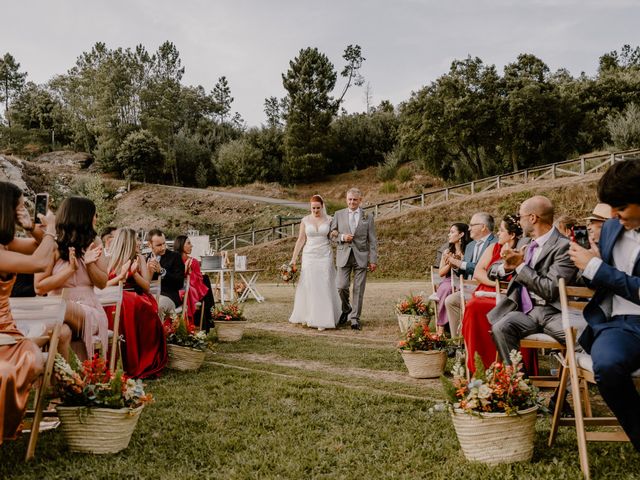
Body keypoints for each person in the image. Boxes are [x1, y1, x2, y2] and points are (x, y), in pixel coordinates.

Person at [569, 160, 640, 452]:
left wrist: (598, 269)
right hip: (621, 324)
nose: (612, 214)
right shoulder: (611, 228)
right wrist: (585, 267)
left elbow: (605, 273)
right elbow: (602, 278)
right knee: (608, 365)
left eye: (621, 206)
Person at [488, 195, 578, 365]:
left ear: (532, 218)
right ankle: (520, 386)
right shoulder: (525, 242)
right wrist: (505, 267)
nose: (519, 221)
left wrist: (520, 267)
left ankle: (569, 386)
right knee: (501, 327)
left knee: (582, 341)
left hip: (554, 313)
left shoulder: (563, 246)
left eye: (520, 216)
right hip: (526, 312)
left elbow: (550, 290)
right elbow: (491, 270)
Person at [0, 181, 54, 443]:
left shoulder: (6, 244)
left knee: (32, 357)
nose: (24, 211)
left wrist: (33, 228)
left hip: (6, 330)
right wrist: (52, 228)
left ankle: (9, 424)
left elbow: (40, 248)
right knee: (17, 366)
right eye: (20, 207)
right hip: (2, 335)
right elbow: (40, 262)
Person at [34, 196, 109, 361]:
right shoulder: (52, 245)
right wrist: (69, 271)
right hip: (55, 309)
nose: (96, 219)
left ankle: (24, 349)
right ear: (82, 217)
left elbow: (102, 283)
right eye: (94, 215)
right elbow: (39, 287)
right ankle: (66, 383)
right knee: (62, 332)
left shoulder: (94, 242)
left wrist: (89, 264)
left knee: (60, 307)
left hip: (88, 311)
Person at [461, 214, 537, 373]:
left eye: (502, 231)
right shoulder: (493, 248)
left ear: (512, 235)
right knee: (473, 306)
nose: (498, 234)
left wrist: (504, 288)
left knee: (478, 307)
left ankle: (507, 367)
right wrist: (494, 284)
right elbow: (478, 272)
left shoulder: (521, 251)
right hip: (487, 290)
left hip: (509, 296)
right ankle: (477, 365)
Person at [106, 228, 167, 379]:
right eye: (136, 240)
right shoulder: (111, 259)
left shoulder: (139, 258)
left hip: (137, 294)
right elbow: (105, 283)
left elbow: (146, 286)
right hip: (113, 296)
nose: (139, 242)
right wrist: (122, 275)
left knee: (132, 304)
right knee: (121, 304)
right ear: (128, 242)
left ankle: (137, 360)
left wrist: (134, 274)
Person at [289, 195, 341, 330]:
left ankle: (323, 319)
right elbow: (301, 240)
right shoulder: (305, 220)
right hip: (309, 255)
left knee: (324, 283)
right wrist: (293, 258)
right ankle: (308, 315)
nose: (316, 211)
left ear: (322, 206)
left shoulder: (330, 219)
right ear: (310, 207)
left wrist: (335, 234)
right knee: (309, 284)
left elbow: (333, 237)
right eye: (313, 208)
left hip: (325, 254)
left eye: (318, 208)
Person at [330, 188, 378, 330]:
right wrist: (343, 237)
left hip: (361, 257)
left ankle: (355, 318)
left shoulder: (367, 217)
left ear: (360, 200)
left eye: (355, 199)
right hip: (343, 256)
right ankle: (346, 308)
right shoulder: (338, 215)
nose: (352, 202)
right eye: (350, 199)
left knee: (358, 289)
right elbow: (331, 236)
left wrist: (373, 260)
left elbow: (373, 240)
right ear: (346, 200)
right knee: (341, 286)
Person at [443, 213, 497, 337]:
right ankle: (457, 341)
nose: (469, 228)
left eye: (472, 225)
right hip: (468, 288)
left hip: (485, 288)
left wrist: (459, 263)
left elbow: (482, 269)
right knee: (450, 300)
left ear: (483, 227)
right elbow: (464, 270)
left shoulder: (495, 244)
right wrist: (454, 265)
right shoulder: (470, 246)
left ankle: (471, 337)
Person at [433, 223, 470, 336]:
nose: (449, 234)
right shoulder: (447, 251)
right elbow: (441, 273)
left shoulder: (468, 251)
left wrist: (458, 261)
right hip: (449, 279)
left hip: (465, 280)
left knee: (456, 289)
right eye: (449, 232)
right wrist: (451, 262)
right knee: (447, 288)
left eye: (452, 232)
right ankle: (441, 327)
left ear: (461, 234)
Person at [174, 235, 213, 329]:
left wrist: (189, 273)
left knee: (188, 292)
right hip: (175, 288)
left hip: (191, 288)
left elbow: (199, 281)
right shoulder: (173, 260)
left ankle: (188, 325)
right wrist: (183, 271)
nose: (191, 246)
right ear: (181, 245)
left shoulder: (193, 262)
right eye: (188, 243)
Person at [146, 229, 185, 320]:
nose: (163, 247)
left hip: (168, 296)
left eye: (164, 243)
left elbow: (179, 283)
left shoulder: (175, 257)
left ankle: (158, 334)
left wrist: (162, 271)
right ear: (149, 244)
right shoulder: (145, 260)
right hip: (149, 296)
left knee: (158, 307)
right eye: (159, 245)